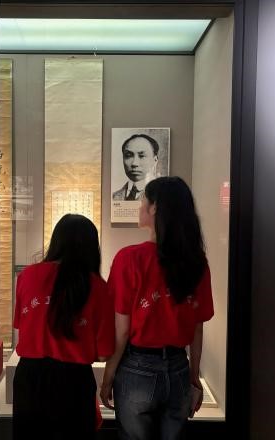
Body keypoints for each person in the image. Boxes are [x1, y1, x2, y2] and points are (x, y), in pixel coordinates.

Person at [101, 176, 214, 440]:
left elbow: (122, 331)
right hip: (179, 367)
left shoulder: (129, 259)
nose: (140, 205)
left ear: (155, 208)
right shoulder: (196, 262)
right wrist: (193, 377)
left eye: (144, 200)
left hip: (137, 369)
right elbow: (197, 329)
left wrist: (108, 376)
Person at [13, 214, 115, 440]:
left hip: (30, 377)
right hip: (74, 380)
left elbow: (20, 325)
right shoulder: (99, 287)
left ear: (56, 241)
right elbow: (104, 353)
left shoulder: (27, 276)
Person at [113, 134, 159, 201]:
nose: (134, 163)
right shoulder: (113, 197)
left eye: (142, 156)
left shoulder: (163, 195)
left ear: (155, 160)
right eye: (128, 155)